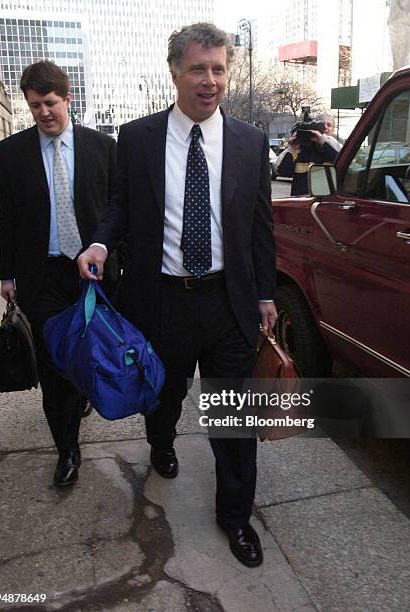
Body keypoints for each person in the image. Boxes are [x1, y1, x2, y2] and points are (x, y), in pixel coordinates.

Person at [78, 22, 277, 567]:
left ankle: (235, 517)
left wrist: (264, 294)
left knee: (234, 419)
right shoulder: (138, 137)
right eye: (198, 68)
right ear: (175, 72)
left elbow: (260, 226)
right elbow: (119, 206)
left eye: (218, 69)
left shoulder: (250, 142)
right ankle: (161, 442)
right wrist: (98, 242)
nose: (210, 80)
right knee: (162, 397)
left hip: (226, 302)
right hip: (159, 301)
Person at [0, 61, 117, 487]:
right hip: (41, 274)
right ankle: (67, 448)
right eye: (34, 106)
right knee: (52, 363)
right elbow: (6, 217)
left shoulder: (103, 148)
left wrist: (109, 251)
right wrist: (6, 274)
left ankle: (80, 391)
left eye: (50, 103)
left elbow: (116, 210)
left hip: (93, 275)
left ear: (68, 99)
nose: (43, 112)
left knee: (85, 352)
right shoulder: (12, 154)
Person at [277, 112, 342, 195]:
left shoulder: (337, 147)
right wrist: (292, 149)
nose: (325, 127)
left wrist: (323, 140)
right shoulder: (301, 148)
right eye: (321, 124)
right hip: (302, 202)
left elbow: (342, 162)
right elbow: (282, 171)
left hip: (327, 201)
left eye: (329, 125)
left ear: (333, 130)